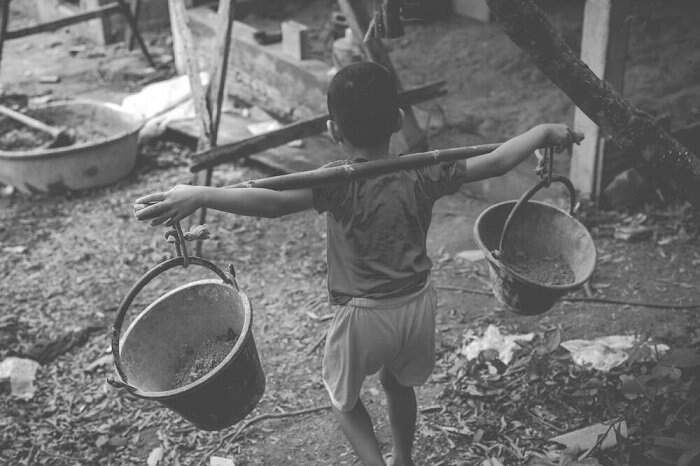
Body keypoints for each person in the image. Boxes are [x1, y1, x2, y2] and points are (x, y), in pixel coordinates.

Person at [133, 62, 583, 466]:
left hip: (364, 316)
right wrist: (543, 132)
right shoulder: (423, 169)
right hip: (417, 305)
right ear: (398, 120)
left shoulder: (339, 181)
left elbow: (272, 204)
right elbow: (498, 161)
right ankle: (403, 459)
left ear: (333, 130)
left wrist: (202, 194)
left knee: (344, 402)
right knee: (399, 385)